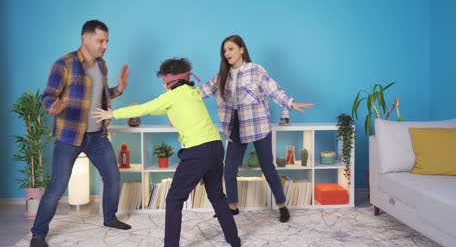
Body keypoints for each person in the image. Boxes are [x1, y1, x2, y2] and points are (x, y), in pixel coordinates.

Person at [92, 58, 241, 247]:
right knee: (218, 197)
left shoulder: (171, 96)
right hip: (216, 146)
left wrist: (111, 114)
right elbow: (164, 110)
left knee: (174, 200)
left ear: (169, 81)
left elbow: (144, 108)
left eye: (164, 80)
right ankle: (234, 241)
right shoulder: (193, 92)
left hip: (197, 151)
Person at [30, 20, 131, 247]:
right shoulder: (64, 64)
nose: (105, 45)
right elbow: (48, 95)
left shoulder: (102, 65)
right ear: (85, 39)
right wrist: (52, 105)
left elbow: (102, 96)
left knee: (113, 177)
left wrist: (119, 89)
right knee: (57, 187)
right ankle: (38, 234)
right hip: (69, 137)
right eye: (100, 40)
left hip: (97, 137)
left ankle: (110, 217)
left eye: (107, 41)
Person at [200, 35, 314, 223]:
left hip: (258, 124)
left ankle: (282, 206)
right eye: (224, 50)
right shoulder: (222, 76)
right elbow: (201, 92)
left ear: (242, 49)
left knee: (267, 167)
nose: (227, 53)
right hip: (235, 125)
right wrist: (180, 94)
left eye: (231, 49)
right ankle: (232, 206)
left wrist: (291, 103)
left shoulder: (255, 70)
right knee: (228, 169)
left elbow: (273, 90)